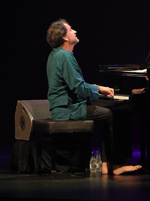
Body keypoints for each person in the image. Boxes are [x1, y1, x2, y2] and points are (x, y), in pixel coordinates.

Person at [46, 19, 141, 175]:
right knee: (113, 116)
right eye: (71, 29)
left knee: (115, 105)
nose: (75, 31)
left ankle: (106, 163)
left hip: (67, 105)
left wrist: (99, 90)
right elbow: (79, 88)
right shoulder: (65, 56)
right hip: (69, 110)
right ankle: (116, 165)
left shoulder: (56, 55)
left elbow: (76, 85)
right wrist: (98, 88)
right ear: (64, 37)